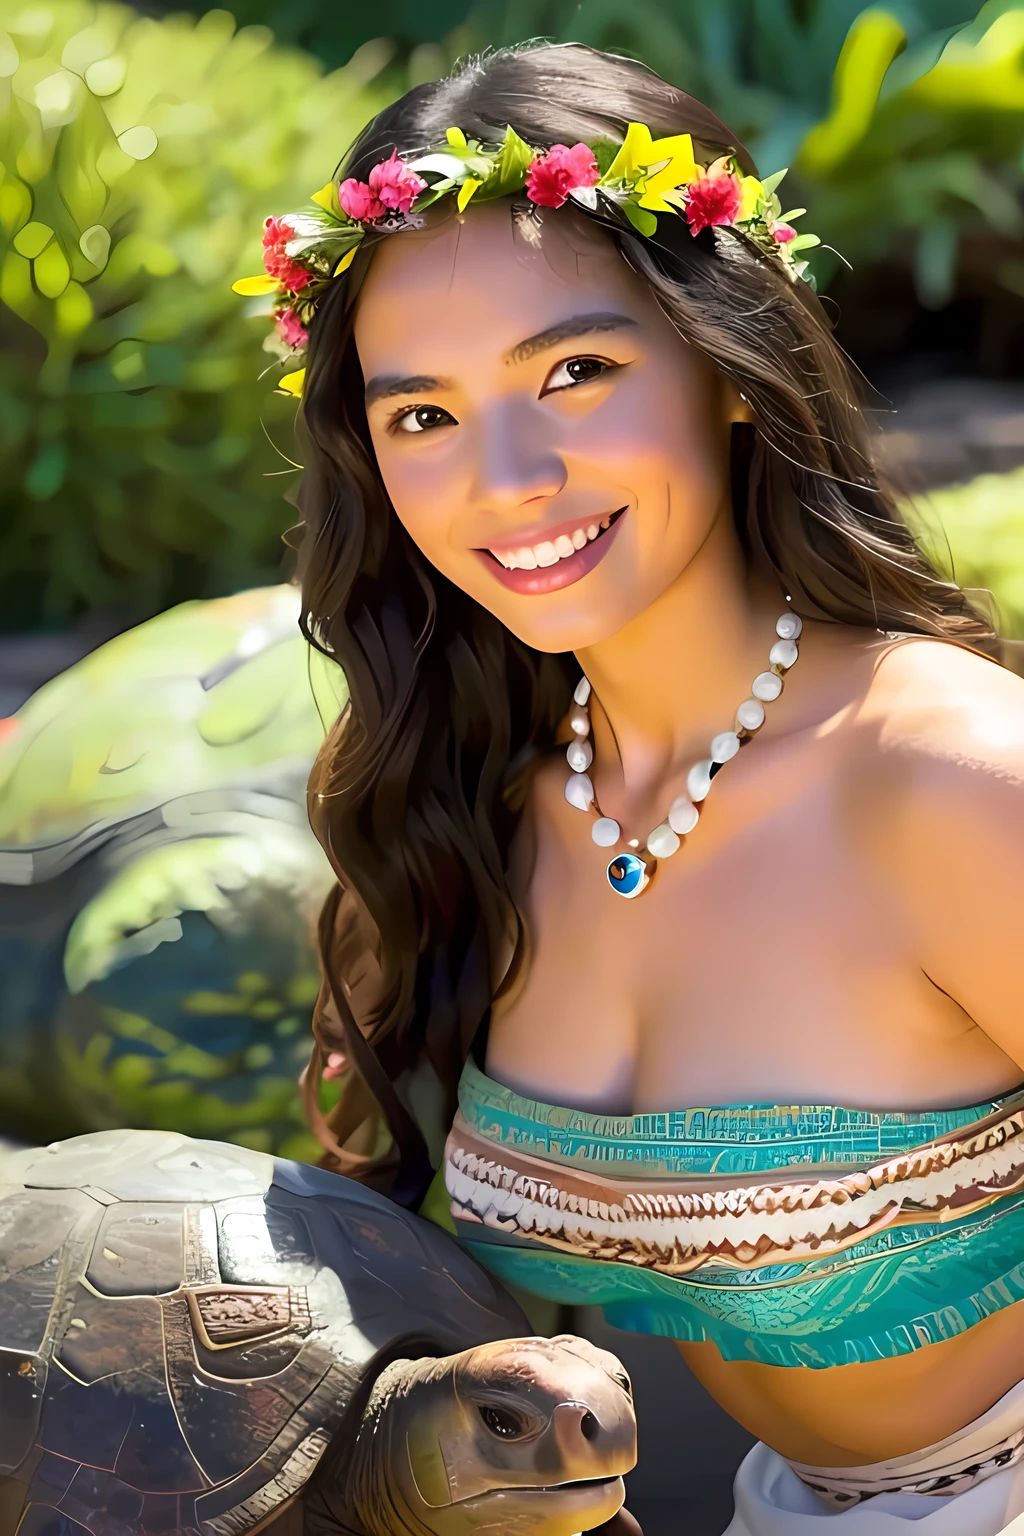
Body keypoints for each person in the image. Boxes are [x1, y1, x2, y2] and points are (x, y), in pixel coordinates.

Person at [242, 40, 1024, 1536]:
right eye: (423, 415)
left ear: (729, 370)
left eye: (577, 372)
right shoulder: (484, 808)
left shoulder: (947, 780)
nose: (507, 475)